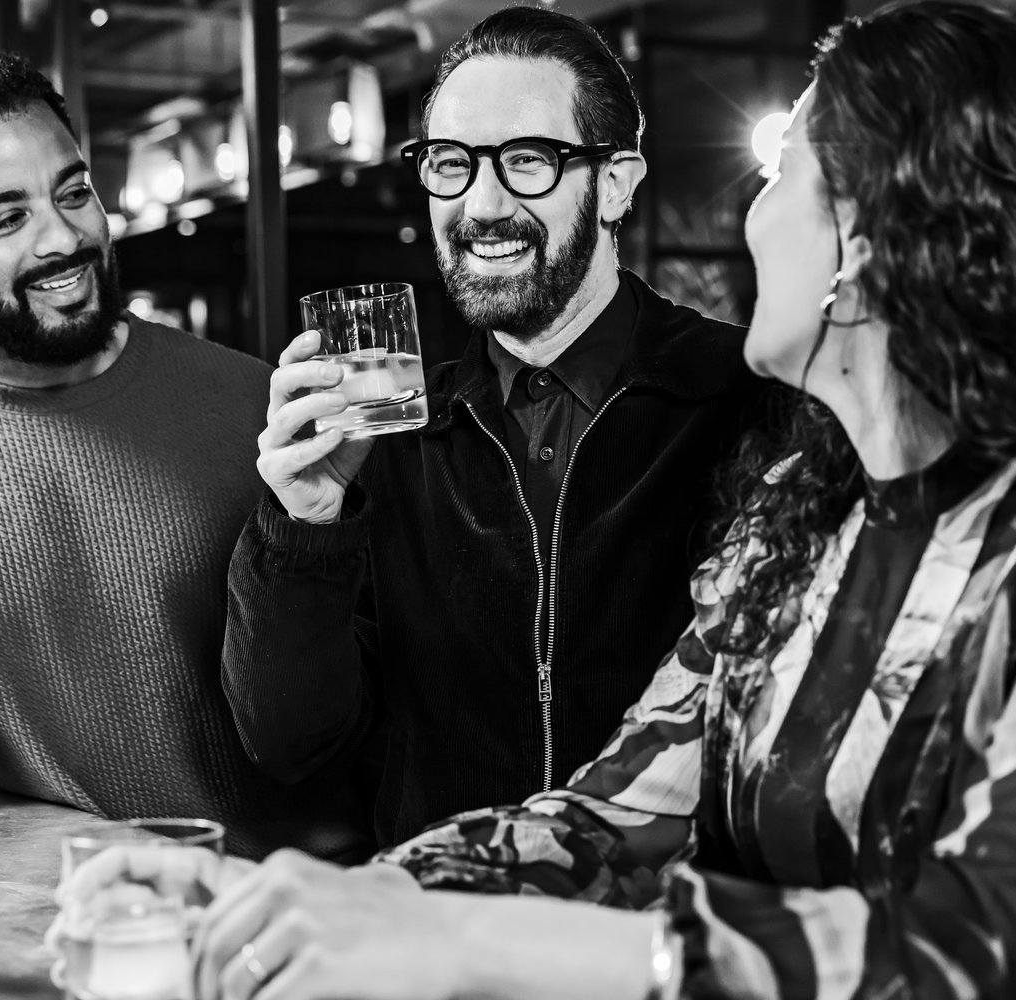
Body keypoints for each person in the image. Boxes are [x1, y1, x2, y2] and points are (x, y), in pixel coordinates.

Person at [63, 2, 1016, 998]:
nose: (746, 216)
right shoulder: (809, 508)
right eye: (450, 164)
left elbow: (975, 959)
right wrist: (330, 897)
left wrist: (467, 942)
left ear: (870, 237)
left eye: (780, 175)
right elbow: (609, 818)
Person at [0, 45, 367, 861]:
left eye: (74, 192)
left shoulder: (252, 406)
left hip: (307, 893)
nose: (65, 237)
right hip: (78, 907)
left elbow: (339, 720)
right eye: (5, 217)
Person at [223, 5, 789, 845]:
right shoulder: (386, 437)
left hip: (664, 938)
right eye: (451, 164)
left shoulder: (745, 398)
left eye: (528, 161)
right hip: (446, 929)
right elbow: (292, 744)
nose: (480, 205)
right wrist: (304, 523)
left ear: (618, 183)